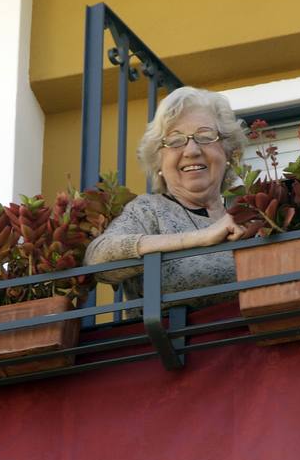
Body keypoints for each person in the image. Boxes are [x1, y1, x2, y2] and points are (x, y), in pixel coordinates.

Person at [85, 86, 248, 307]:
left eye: (205, 136)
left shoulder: (249, 215)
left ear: (228, 152)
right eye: (174, 141)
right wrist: (202, 237)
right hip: (178, 339)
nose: (191, 151)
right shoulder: (148, 210)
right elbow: (97, 258)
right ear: (159, 162)